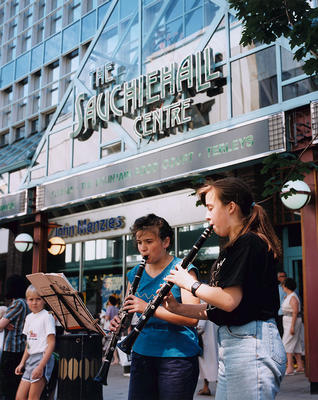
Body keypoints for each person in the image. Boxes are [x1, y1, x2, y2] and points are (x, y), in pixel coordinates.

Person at [162, 177, 286, 400]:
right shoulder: (232, 248)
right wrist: (176, 307)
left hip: (251, 344)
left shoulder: (249, 241)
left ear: (231, 207)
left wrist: (189, 283)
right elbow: (218, 308)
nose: (207, 216)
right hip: (235, 345)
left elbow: (229, 300)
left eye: (210, 208)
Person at [110, 213, 201, 400]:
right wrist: (120, 321)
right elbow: (128, 310)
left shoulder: (183, 270)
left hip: (177, 357)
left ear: (166, 241)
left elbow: (193, 319)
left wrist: (148, 309)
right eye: (139, 242)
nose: (142, 248)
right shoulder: (134, 273)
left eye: (149, 241)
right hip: (141, 354)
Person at [15, 285, 56, 400]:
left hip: (42, 358)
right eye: (31, 299)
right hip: (30, 359)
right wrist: (22, 362)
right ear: (27, 300)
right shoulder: (28, 318)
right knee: (19, 397)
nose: (34, 302)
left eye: (38, 299)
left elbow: (51, 343)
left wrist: (41, 366)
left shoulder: (47, 316)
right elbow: (29, 344)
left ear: (44, 300)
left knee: (33, 397)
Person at [0, 275, 29, 400]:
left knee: (8, 387)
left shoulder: (18, 303)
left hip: (12, 349)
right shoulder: (26, 303)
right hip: (21, 349)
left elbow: (0, 325)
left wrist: (3, 323)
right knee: (15, 385)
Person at [281, 277, 304, 375]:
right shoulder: (289, 296)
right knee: (296, 343)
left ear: (286, 286)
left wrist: (292, 326)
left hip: (292, 321)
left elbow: (295, 312)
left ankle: (290, 367)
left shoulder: (293, 297)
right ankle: (300, 366)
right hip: (288, 320)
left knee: (287, 342)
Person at [196, 318, 218, 396]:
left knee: (207, 363)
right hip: (215, 335)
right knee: (214, 362)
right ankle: (206, 387)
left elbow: (201, 326)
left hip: (206, 338)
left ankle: (209, 387)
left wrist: (196, 329)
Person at [100, 295, 119, 364]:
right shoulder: (117, 309)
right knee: (111, 343)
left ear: (109, 301)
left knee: (107, 342)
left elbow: (107, 318)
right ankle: (109, 358)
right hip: (115, 327)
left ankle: (114, 359)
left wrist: (103, 316)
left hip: (109, 327)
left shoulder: (109, 308)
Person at [277, 270, 287, 337]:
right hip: (279, 314)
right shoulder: (277, 288)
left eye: (285, 276)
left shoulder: (291, 287)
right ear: (278, 278)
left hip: (287, 314)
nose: (284, 278)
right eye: (282, 276)